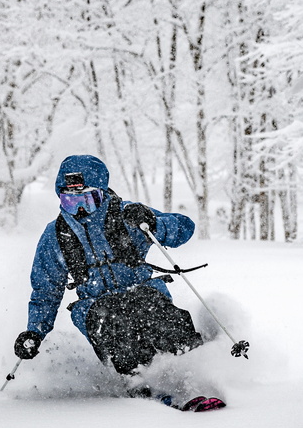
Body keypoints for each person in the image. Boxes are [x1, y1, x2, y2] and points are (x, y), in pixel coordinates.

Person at [13, 155, 222, 410]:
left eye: (88, 200)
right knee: (113, 321)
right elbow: (46, 289)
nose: (80, 209)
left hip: (141, 290)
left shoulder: (126, 216)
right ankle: (138, 383)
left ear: (102, 193)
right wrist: (35, 331)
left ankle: (193, 376)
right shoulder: (57, 235)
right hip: (94, 304)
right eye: (70, 200)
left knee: (159, 315)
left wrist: (154, 223)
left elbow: (184, 228)